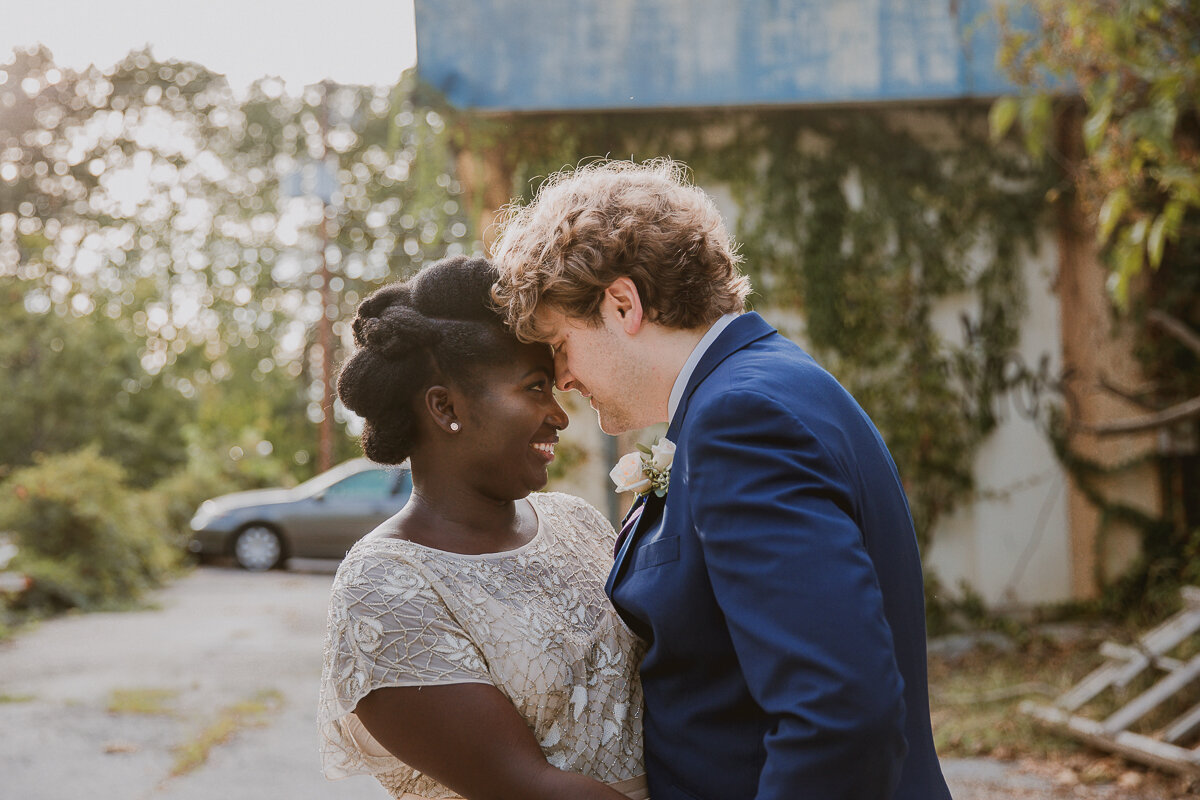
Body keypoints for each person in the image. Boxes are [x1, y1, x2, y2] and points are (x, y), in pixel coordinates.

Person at [491, 160, 953, 800]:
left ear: (622, 303)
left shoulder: (740, 420)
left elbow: (840, 716)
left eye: (561, 346)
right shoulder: (762, 388)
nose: (562, 379)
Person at [318, 255, 647, 800]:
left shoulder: (577, 523)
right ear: (446, 407)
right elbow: (527, 787)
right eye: (536, 388)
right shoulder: (386, 586)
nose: (560, 415)